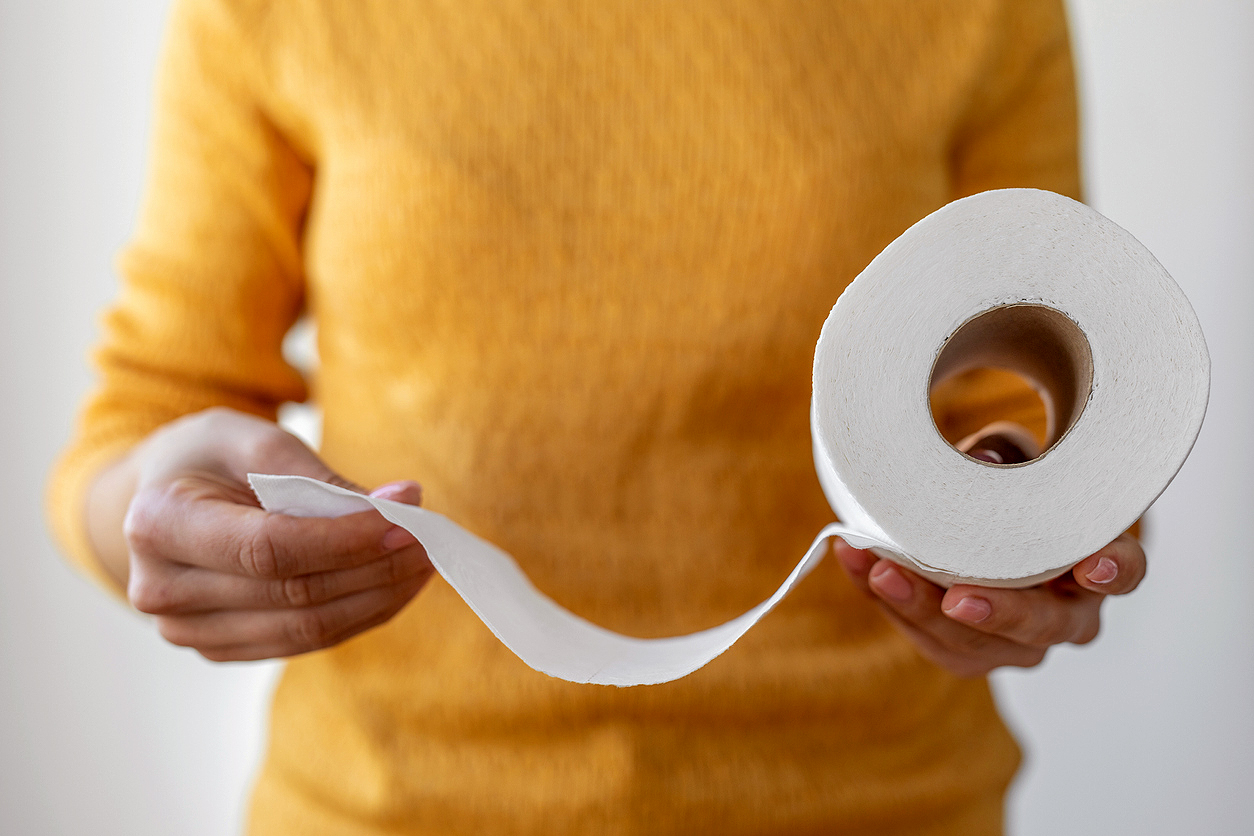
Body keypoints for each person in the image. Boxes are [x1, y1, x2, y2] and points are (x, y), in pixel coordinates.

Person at [48, 1, 1146, 833]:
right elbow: (145, 414)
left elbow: (1033, 384)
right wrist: (154, 520)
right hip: (392, 807)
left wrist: (1026, 529)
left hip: (882, 801)